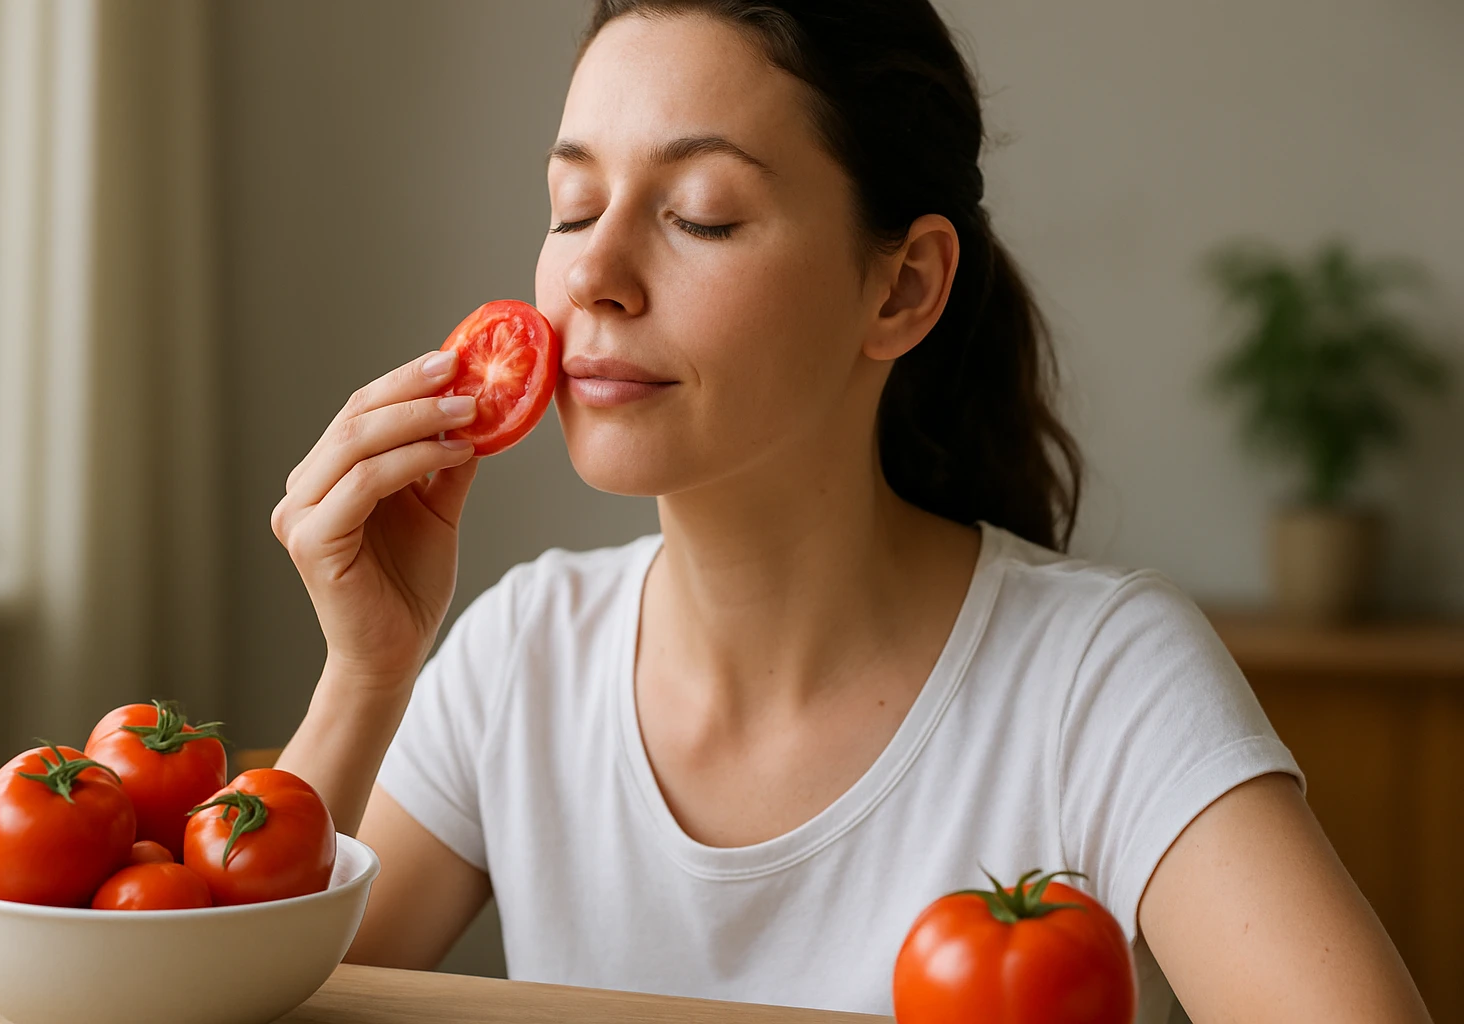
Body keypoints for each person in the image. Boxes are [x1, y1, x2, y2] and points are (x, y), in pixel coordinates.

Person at [271, 2, 1430, 1021]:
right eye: (573, 207)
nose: (592, 277)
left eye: (703, 214)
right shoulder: (521, 655)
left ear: (904, 286)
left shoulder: (1101, 677)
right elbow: (235, 997)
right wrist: (367, 672)